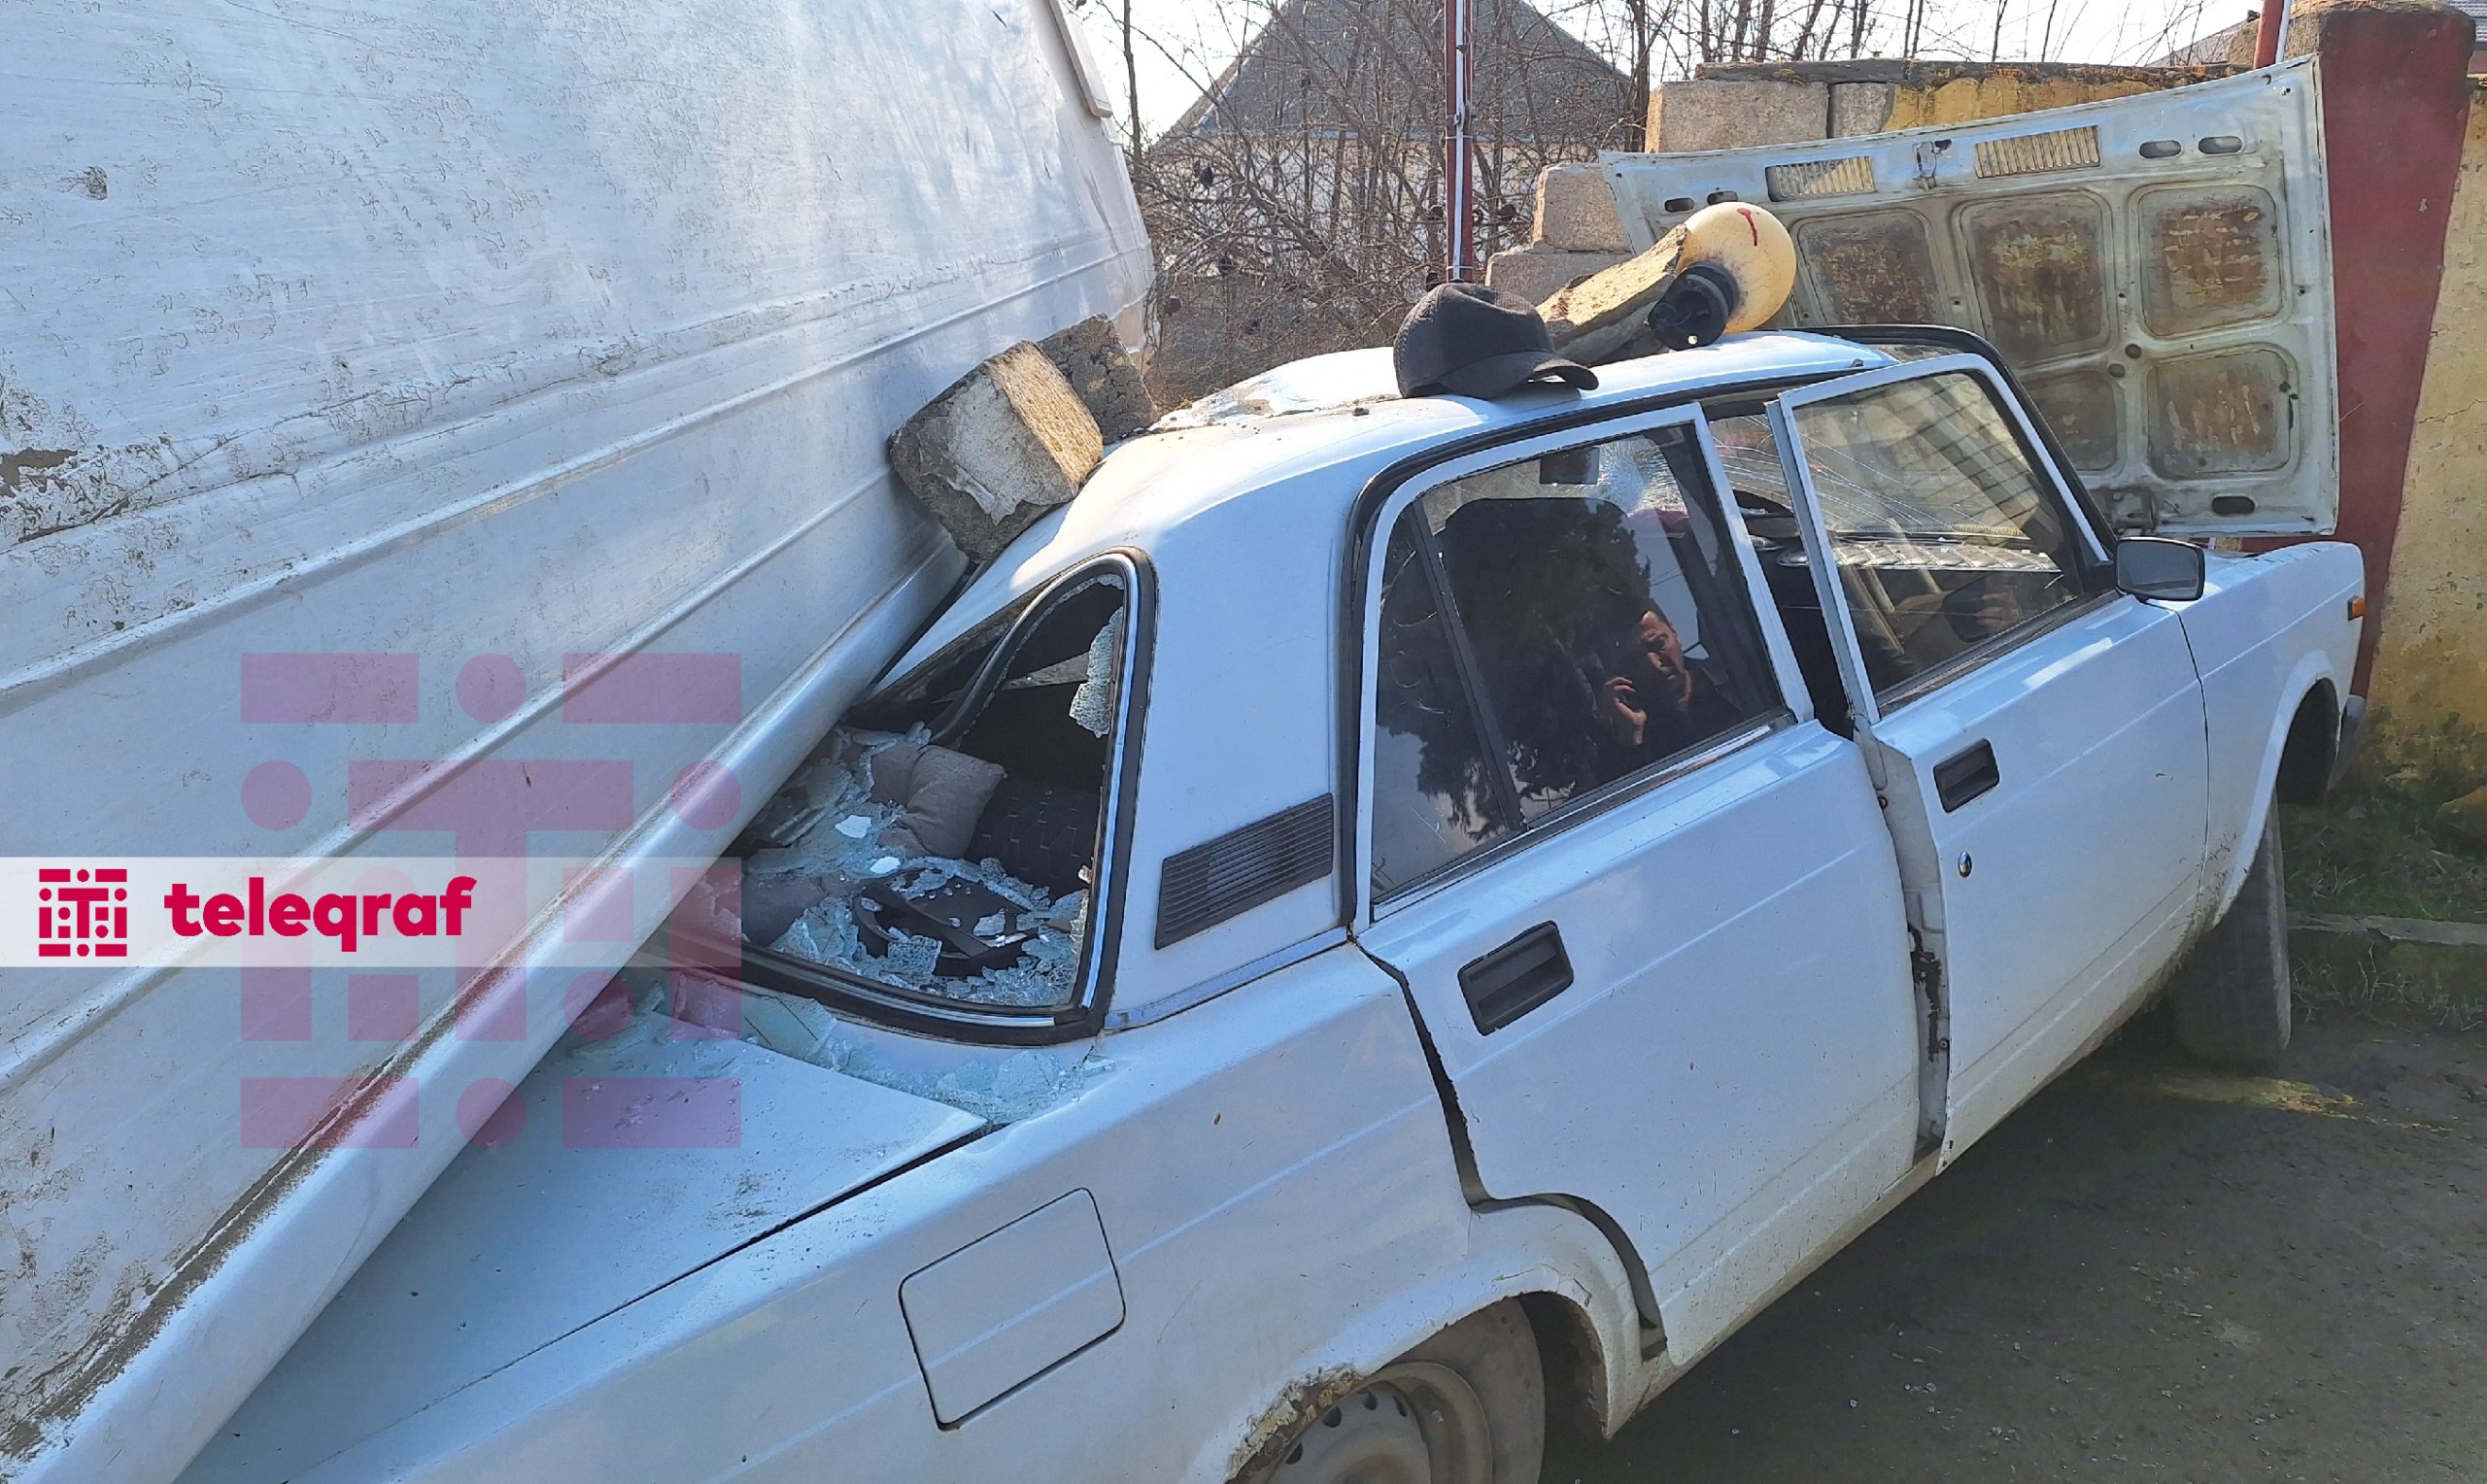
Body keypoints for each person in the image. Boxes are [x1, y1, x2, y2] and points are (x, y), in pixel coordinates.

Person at [1587, 605, 1744, 772]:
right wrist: (1632, 738)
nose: (1654, 664)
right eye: (1636, 658)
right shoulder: (1624, 733)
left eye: (1659, 644)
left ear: (1675, 633)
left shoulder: (1740, 679)